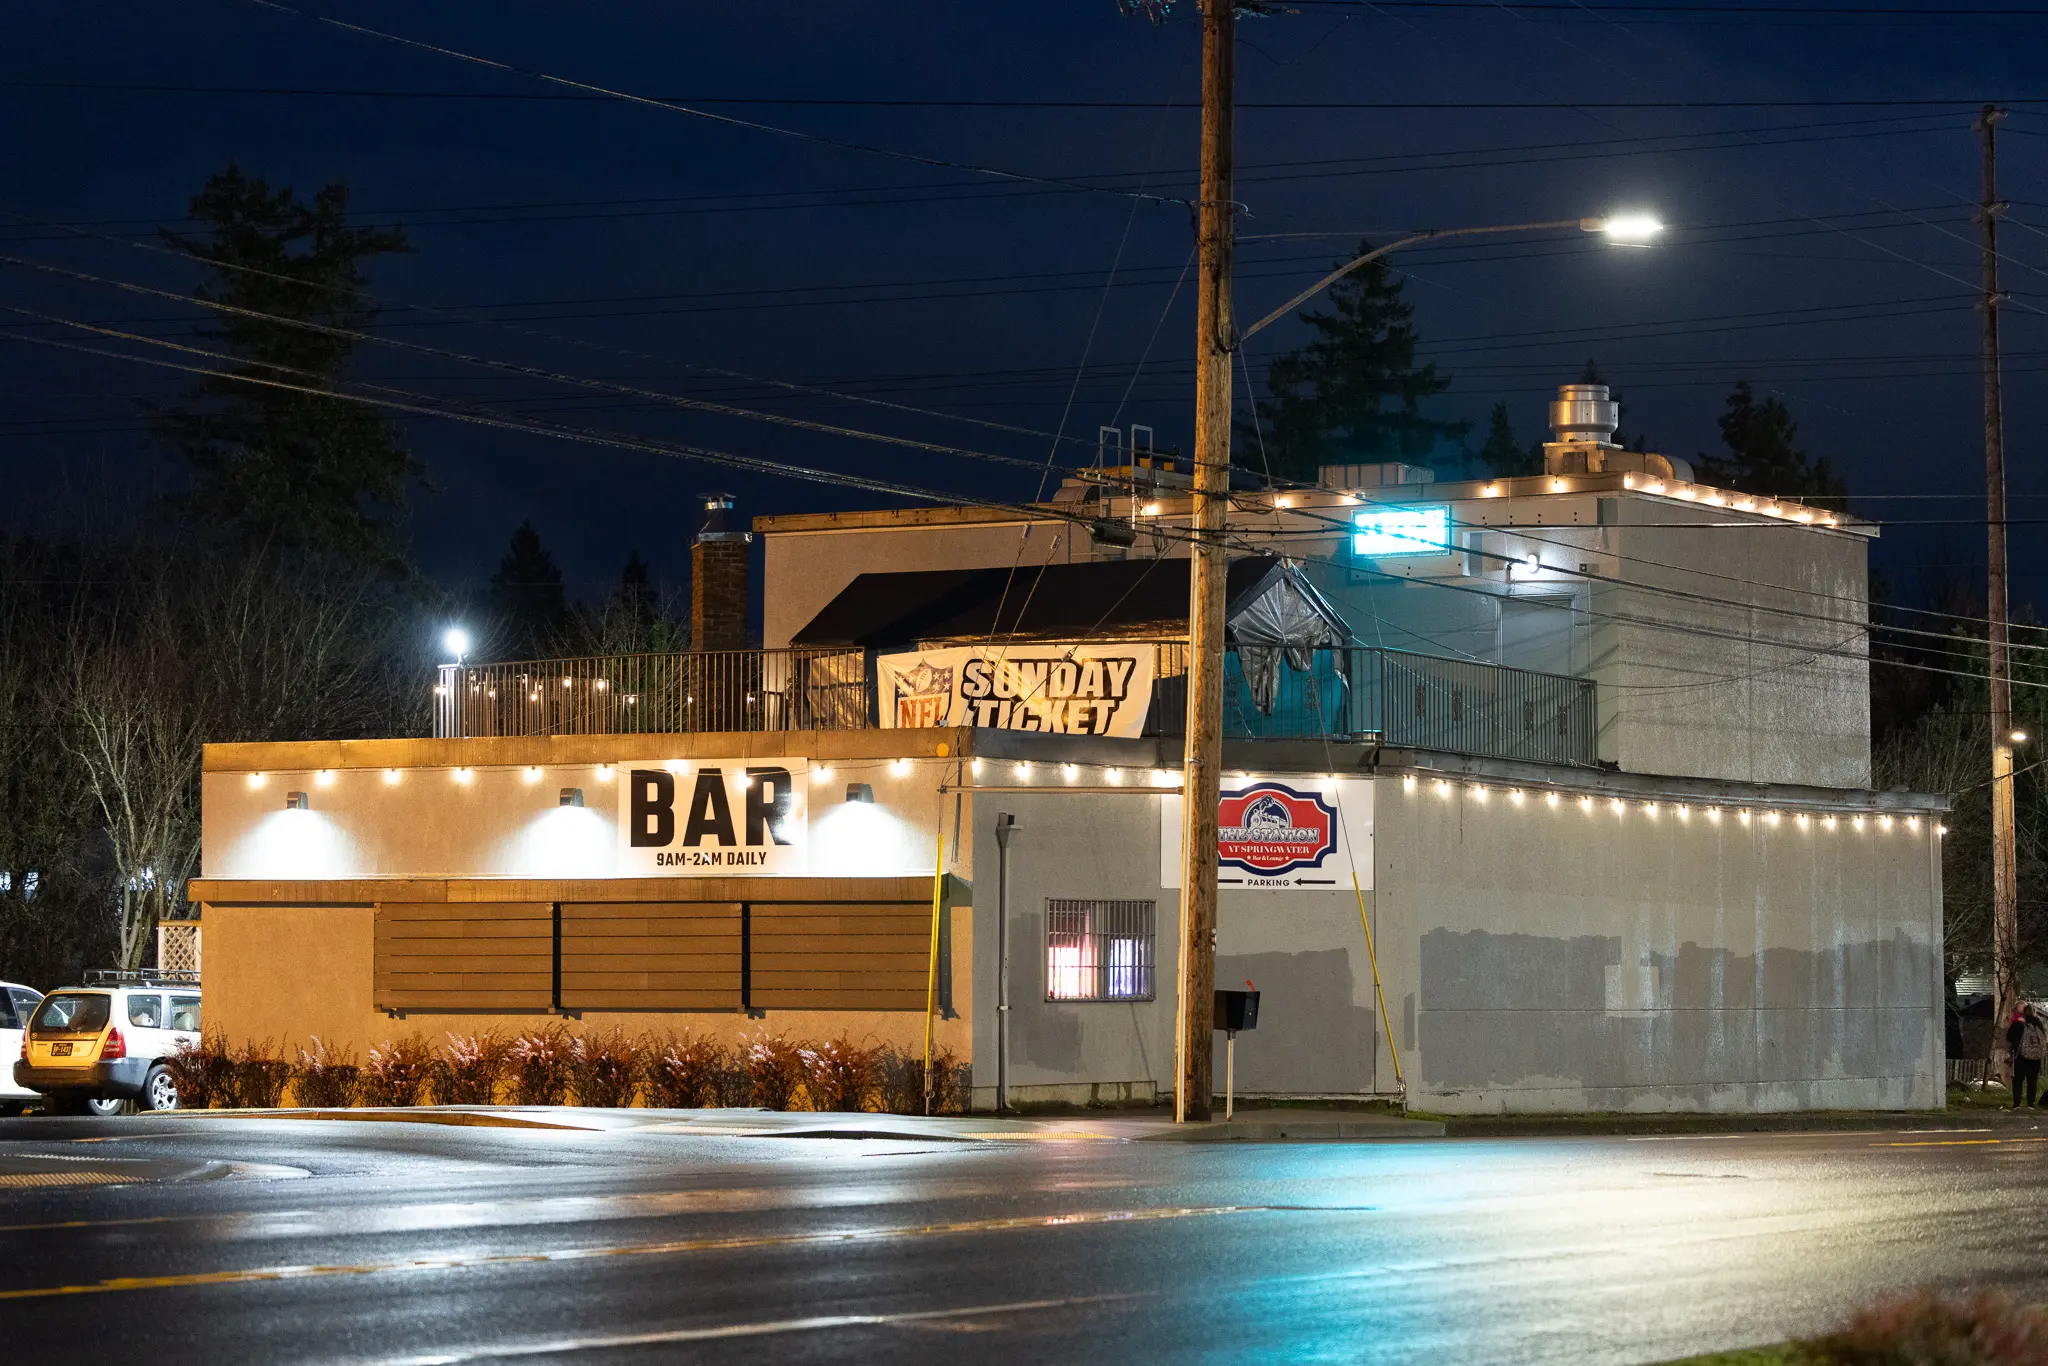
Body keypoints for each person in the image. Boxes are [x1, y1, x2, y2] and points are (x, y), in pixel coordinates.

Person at [2009, 1005, 2046, 1109]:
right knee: (2032, 1081)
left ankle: (2017, 1104)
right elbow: (2043, 1037)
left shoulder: (2018, 1024)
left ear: (2024, 1012)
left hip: (2020, 1057)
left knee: (2017, 1081)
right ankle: (2030, 1104)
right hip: (2035, 1057)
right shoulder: (2039, 1024)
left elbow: (2009, 1036)